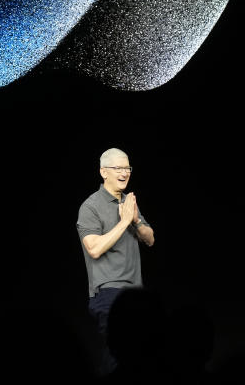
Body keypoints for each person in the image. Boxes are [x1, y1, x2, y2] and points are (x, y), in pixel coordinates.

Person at [77, 147, 155, 374]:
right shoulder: (90, 206)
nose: (125, 172)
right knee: (117, 359)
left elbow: (150, 239)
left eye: (127, 167)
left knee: (141, 358)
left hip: (136, 292)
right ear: (104, 172)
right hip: (109, 293)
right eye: (118, 168)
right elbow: (94, 249)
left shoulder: (129, 203)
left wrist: (136, 221)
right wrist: (123, 223)